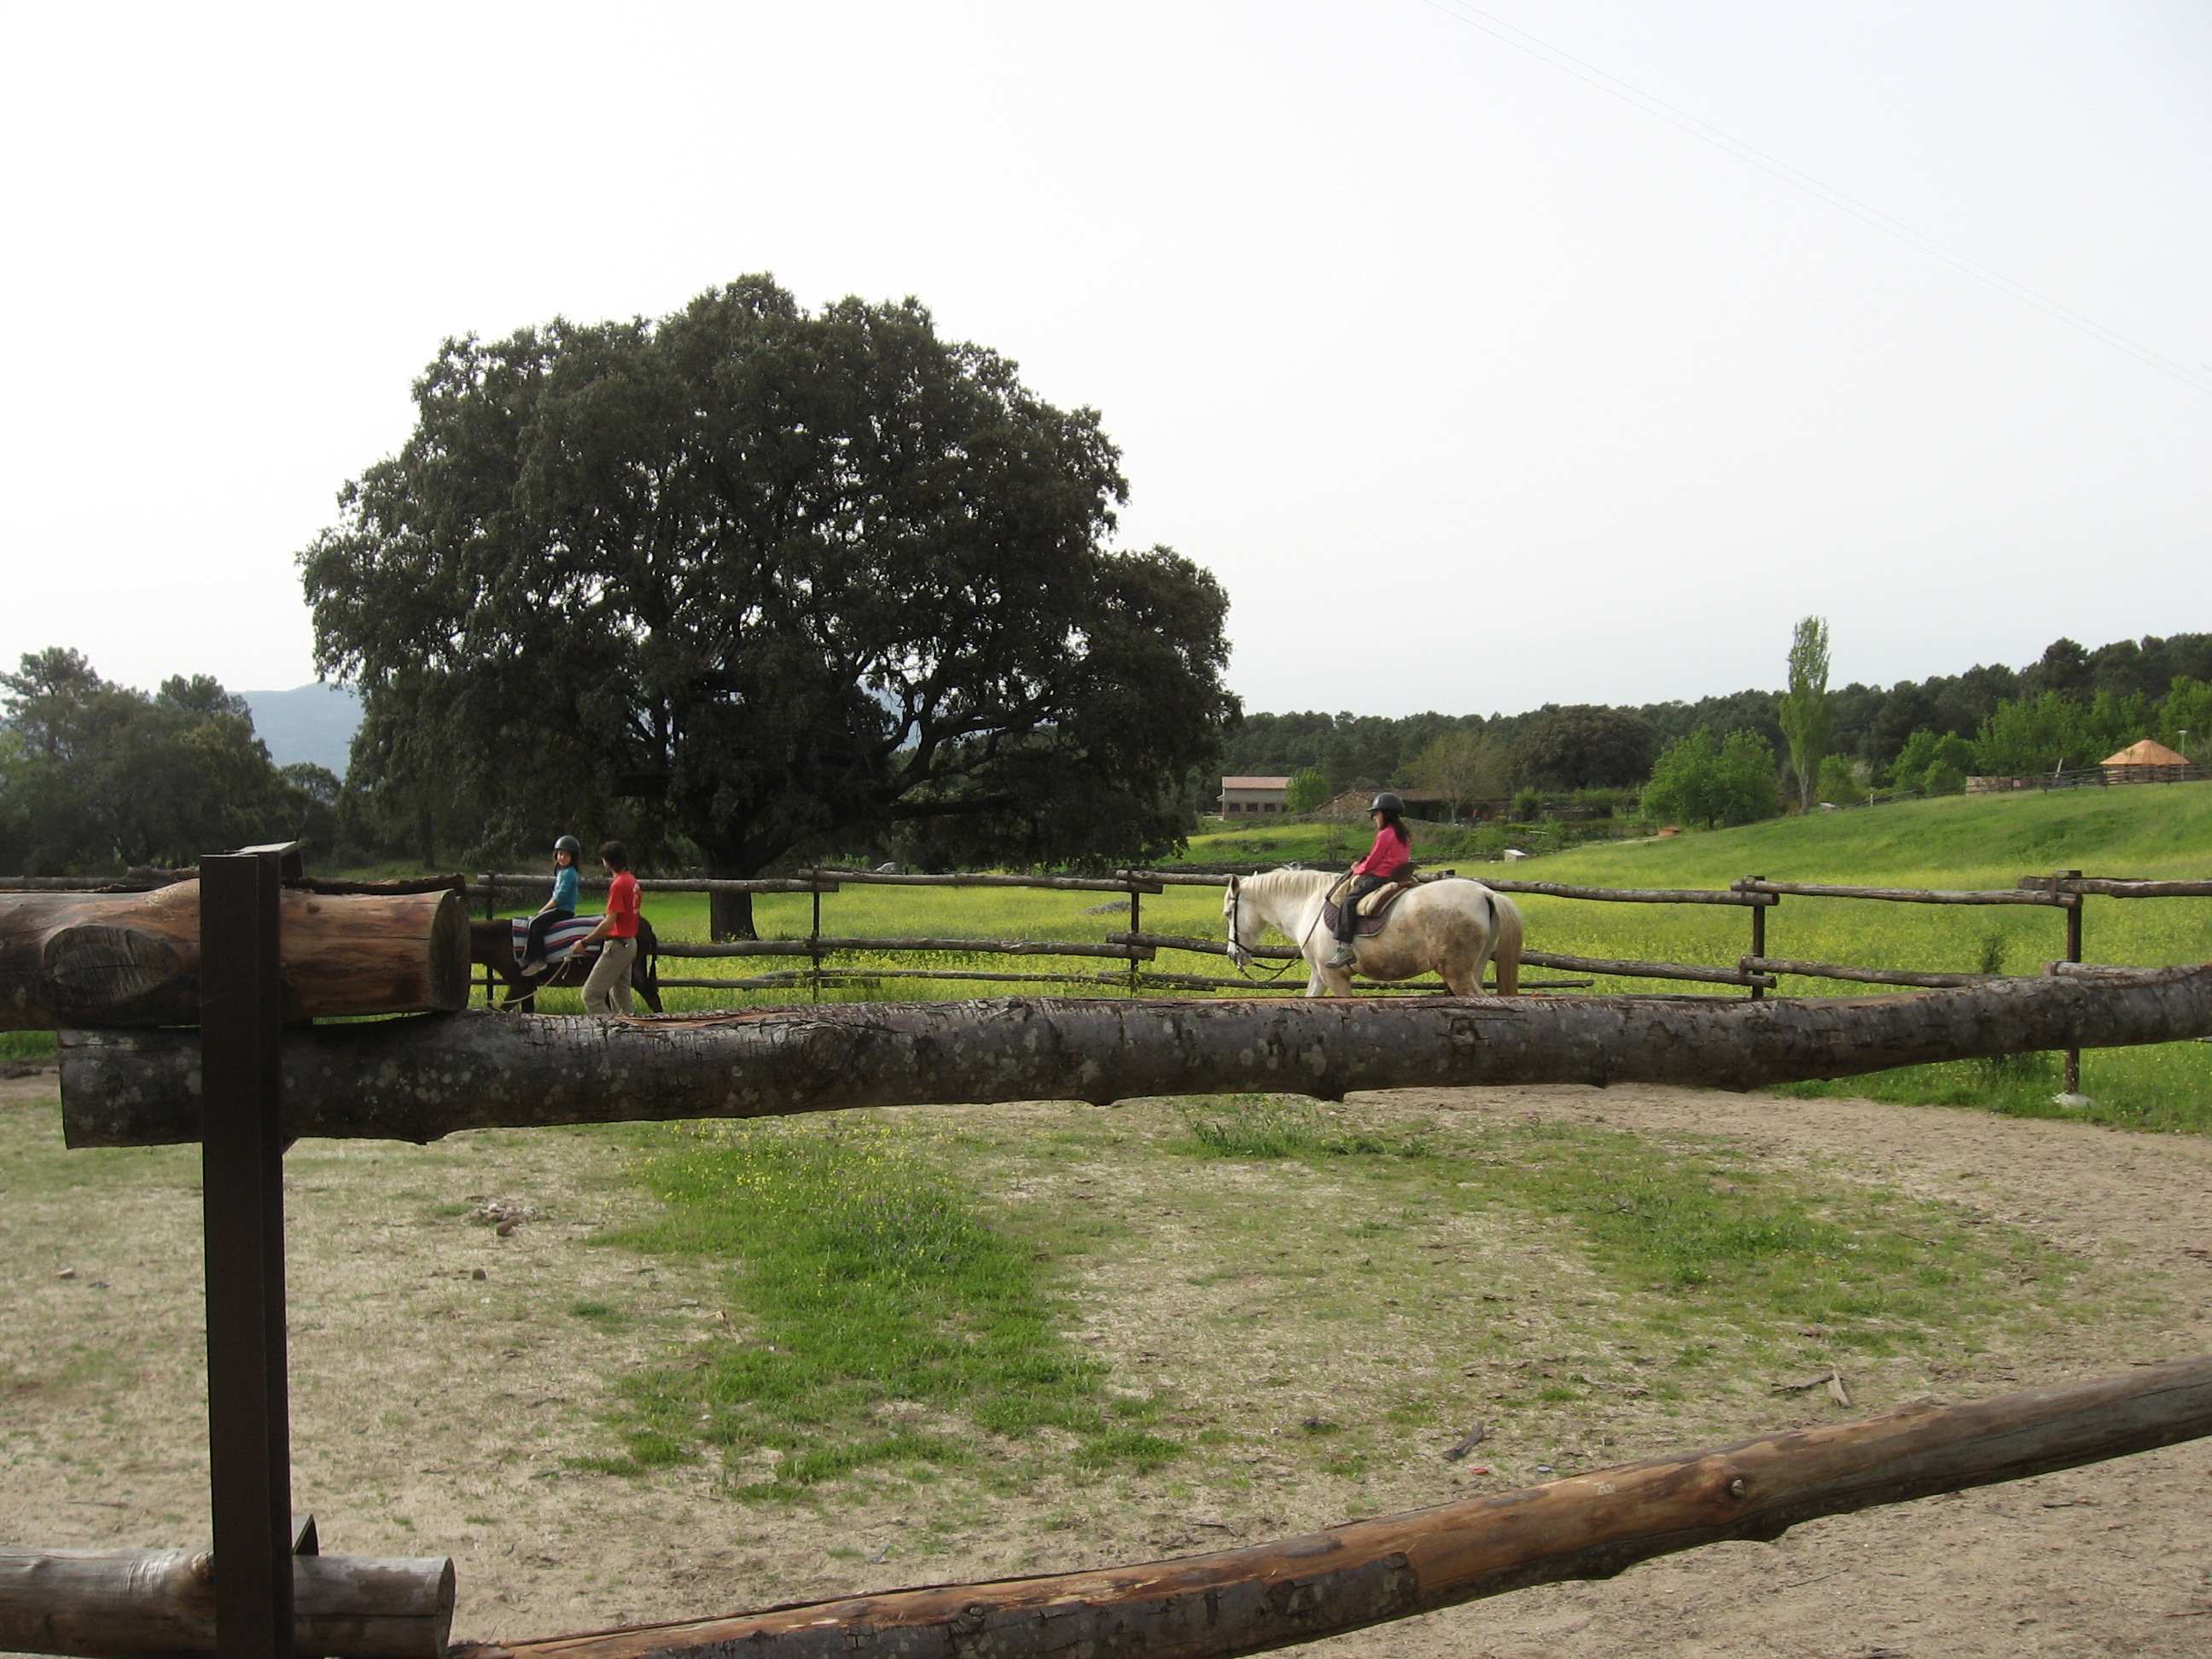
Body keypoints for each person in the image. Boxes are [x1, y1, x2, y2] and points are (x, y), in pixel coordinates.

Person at [1326, 793, 1412, 968]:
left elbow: (1373, 861)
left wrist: (1356, 869)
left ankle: (1344, 948)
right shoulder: (1403, 833)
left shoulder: (1385, 834)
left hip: (1380, 877)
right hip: (1400, 874)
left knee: (1348, 902)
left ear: (1385, 814)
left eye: (1376, 814)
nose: (1374, 818)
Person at [568, 839, 643, 1015]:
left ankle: (610, 1031)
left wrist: (585, 942)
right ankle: (631, 1031)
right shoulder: (632, 881)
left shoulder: (618, 885)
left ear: (607, 862)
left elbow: (609, 922)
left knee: (591, 995)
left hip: (617, 946)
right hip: (630, 943)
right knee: (621, 996)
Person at [520, 835, 584, 975]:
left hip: (563, 910)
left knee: (536, 924)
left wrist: (542, 910)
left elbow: (558, 898)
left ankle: (538, 960)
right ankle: (528, 957)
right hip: (559, 908)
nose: (562, 857)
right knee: (535, 922)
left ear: (573, 857)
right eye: (560, 854)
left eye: (566, 855)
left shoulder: (569, 874)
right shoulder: (563, 872)